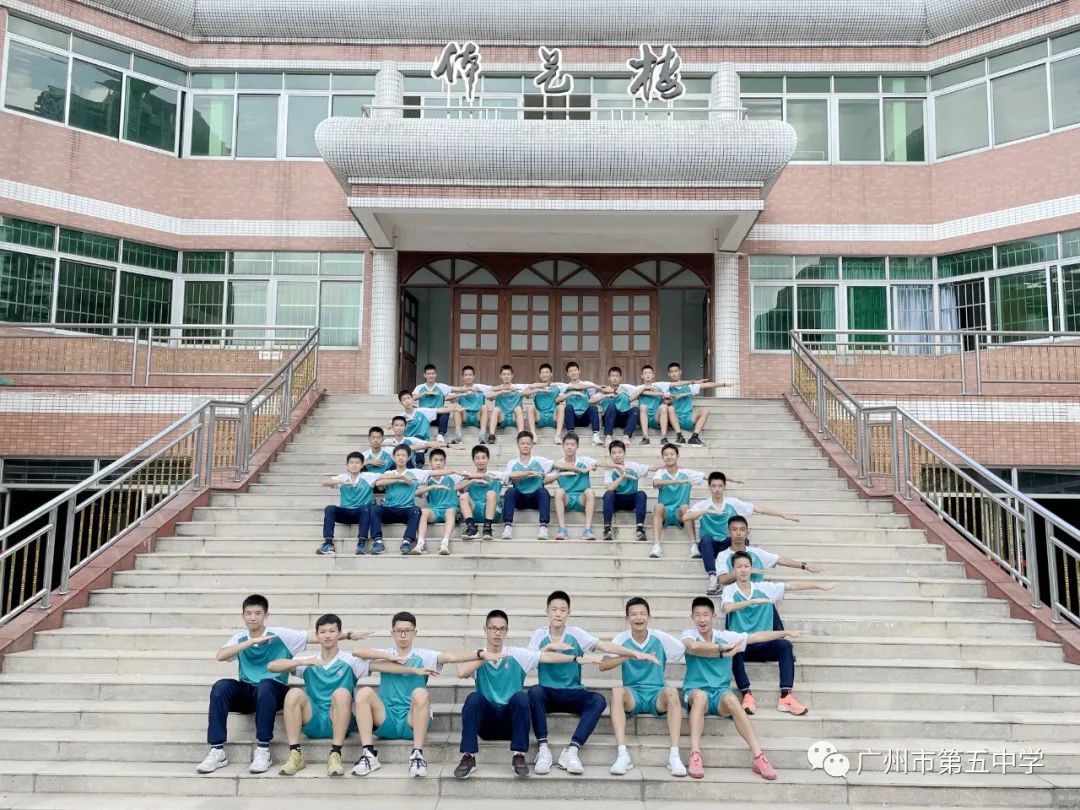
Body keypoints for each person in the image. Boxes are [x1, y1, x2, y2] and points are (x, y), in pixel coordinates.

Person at [197, 594, 361, 775]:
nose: (253, 617)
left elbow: (316, 636)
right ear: (242, 616)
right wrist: (250, 642)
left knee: (265, 684)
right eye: (249, 613)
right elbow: (221, 656)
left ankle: (263, 750)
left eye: (258, 613)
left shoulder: (280, 635)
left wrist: (348, 635)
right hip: (249, 691)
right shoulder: (240, 638)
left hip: (274, 691)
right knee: (221, 687)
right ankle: (217, 750)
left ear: (266, 615)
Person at [351, 611, 507, 777]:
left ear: (415, 633)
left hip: (412, 720)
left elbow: (450, 657)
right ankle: (368, 755)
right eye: (399, 631)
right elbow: (357, 651)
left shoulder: (423, 655)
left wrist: (480, 654)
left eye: (407, 631)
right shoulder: (384, 653)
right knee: (364, 692)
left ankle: (417, 755)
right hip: (386, 719)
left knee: (420, 692)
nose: (403, 635)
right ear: (392, 633)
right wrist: (390, 656)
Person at [453, 609, 602, 779]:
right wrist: (483, 656)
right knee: (473, 698)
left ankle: (518, 756)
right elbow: (461, 672)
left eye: (501, 629)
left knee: (522, 697)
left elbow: (545, 657)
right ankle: (468, 757)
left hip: (511, 723)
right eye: (493, 628)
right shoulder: (477, 656)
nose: (497, 632)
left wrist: (574, 658)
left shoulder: (516, 654)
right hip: (486, 724)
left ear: (506, 631)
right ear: (485, 630)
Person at [527, 590, 658, 775]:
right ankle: (543, 749)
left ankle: (572, 751)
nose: (558, 614)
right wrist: (548, 647)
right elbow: (529, 660)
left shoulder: (575, 633)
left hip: (572, 692)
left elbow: (604, 646)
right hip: (548, 694)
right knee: (533, 692)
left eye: (562, 610)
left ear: (569, 612)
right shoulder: (538, 635)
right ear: (547, 611)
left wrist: (635, 653)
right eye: (554, 609)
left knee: (598, 700)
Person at [270, 614, 414, 777]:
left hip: (341, 719)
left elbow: (381, 666)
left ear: (339, 634)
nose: (327, 635)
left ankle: (336, 754)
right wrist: (301, 662)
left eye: (332, 631)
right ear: (317, 635)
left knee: (341, 693)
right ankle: (295, 754)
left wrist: (414, 669)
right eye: (323, 632)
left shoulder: (350, 660)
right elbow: (272, 666)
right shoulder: (308, 661)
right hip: (313, 720)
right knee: (293, 693)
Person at [680, 596, 797, 781]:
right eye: (698, 615)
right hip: (695, 691)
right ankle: (695, 754)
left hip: (720, 693)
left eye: (705, 615)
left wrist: (785, 632)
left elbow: (756, 637)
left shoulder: (726, 635)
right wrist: (724, 649)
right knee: (700, 696)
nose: (702, 619)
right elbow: (694, 647)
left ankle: (758, 756)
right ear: (692, 617)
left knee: (733, 699)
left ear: (713, 616)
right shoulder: (688, 634)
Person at [722, 551, 835, 716]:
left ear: (751, 568)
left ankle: (786, 696)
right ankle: (746, 694)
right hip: (744, 647)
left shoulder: (764, 588)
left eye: (746, 566)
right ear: (734, 570)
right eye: (739, 567)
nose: (743, 570)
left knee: (785, 645)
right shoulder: (730, 590)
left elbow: (792, 585)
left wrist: (818, 586)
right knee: (733, 647)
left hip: (765, 644)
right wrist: (752, 601)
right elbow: (727, 608)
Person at [600, 597, 687, 777]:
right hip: (633, 694)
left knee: (672, 692)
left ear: (649, 617)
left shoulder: (659, 637)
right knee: (617, 692)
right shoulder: (621, 639)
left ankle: (674, 755)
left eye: (642, 614)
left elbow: (682, 650)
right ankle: (623, 754)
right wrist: (630, 654)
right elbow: (603, 665)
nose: (638, 617)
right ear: (627, 618)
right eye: (633, 614)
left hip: (657, 693)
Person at [683, 472, 801, 594]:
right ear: (709, 487)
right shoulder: (703, 505)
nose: (717, 489)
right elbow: (686, 517)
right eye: (714, 486)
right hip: (711, 546)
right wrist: (705, 511)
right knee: (706, 540)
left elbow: (758, 509)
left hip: (728, 543)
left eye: (720, 486)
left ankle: (743, 575)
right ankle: (713, 578)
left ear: (724, 487)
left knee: (743, 540)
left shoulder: (733, 503)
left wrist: (783, 515)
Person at [715, 515, 825, 588]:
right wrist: (746, 571)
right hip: (736, 600)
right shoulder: (723, 556)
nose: (738, 533)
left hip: (760, 597)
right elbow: (723, 579)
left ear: (747, 532)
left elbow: (779, 559)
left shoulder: (756, 552)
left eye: (742, 529)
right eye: (734, 529)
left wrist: (804, 566)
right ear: (728, 532)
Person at [318, 452, 381, 556]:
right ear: (347, 465)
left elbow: (385, 476)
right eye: (351, 463)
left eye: (357, 463)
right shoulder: (343, 477)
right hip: (346, 513)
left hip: (361, 514)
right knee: (330, 508)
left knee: (366, 508)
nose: (354, 465)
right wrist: (342, 482)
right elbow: (324, 482)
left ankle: (361, 543)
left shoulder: (368, 476)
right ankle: (328, 543)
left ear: (362, 465)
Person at [654, 362, 732, 445]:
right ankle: (680, 436)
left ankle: (694, 437)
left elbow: (706, 385)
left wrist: (723, 384)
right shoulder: (666, 388)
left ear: (680, 372)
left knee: (705, 410)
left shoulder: (689, 387)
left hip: (688, 418)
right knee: (670, 408)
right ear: (668, 374)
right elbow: (664, 403)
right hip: (674, 419)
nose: (674, 374)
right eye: (671, 372)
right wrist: (675, 397)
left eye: (676, 371)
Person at [651, 443, 705, 560]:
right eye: (665, 455)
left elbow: (706, 477)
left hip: (679, 514)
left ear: (677, 456)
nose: (669, 457)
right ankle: (656, 545)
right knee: (658, 506)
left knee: (685, 507)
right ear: (662, 457)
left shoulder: (686, 472)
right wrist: (678, 482)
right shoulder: (661, 472)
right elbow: (656, 483)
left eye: (672, 454)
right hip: (665, 513)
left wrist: (729, 479)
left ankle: (693, 545)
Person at [500, 430, 554, 540]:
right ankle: (507, 527)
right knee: (510, 491)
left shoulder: (539, 461)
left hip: (535, 499)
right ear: (518, 444)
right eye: (523, 443)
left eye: (528, 443)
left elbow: (556, 466)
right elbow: (507, 478)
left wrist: (558, 475)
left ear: (532, 445)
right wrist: (527, 473)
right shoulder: (512, 463)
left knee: (543, 492)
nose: (525, 446)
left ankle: (543, 527)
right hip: (520, 499)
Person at [598, 440, 654, 543]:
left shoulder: (632, 466)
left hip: (630, 500)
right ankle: (607, 530)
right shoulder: (609, 470)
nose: (617, 455)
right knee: (608, 494)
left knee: (641, 494)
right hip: (616, 500)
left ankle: (640, 530)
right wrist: (622, 477)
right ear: (610, 455)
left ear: (624, 453)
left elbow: (651, 468)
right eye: (614, 453)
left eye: (620, 452)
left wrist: (666, 465)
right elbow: (610, 488)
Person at [374, 446, 426, 555]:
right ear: (393, 457)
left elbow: (423, 487)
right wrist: (399, 479)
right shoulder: (389, 473)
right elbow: (378, 484)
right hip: (389, 509)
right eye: (398, 455)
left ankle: (407, 541)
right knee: (375, 509)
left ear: (408, 458)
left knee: (416, 510)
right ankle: (377, 541)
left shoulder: (414, 473)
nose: (401, 458)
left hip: (406, 510)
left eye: (403, 455)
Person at [550, 432, 598, 542]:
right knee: (558, 491)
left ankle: (588, 530)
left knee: (590, 491)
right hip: (566, 499)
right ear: (563, 446)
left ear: (577, 447)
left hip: (582, 499)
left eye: (572, 444)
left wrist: (595, 465)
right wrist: (559, 474)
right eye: (567, 444)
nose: (569, 447)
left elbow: (600, 463)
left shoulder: (584, 461)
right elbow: (544, 481)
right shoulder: (559, 464)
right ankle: (562, 529)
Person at [415, 448, 461, 555]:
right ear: (430, 462)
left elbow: (469, 476)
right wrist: (431, 487)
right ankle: (420, 544)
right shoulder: (426, 479)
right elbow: (416, 493)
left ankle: (444, 543)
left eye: (441, 460)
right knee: (423, 511)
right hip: (435, 511)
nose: (438, 463)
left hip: (450, 510)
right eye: (435, 460)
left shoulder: (452, 477)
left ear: (444, 462)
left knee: (450, 511)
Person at [457, 444, 501, 541]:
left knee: (491, 493)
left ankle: (487, 528)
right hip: (474, 510)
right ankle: (471, 528)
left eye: (483, 458)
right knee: (464, 496)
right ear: (473, 460)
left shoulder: (495, 475)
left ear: (488, 459)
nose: (481, 461)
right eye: (477, 458)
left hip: (491, 511)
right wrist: (473, 480)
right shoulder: (469, 477)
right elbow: (455, 488)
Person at [397, 389, 461, 452]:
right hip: (409, 444)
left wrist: (454, 409)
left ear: (412, 399)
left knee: (418, 439)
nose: (407, 401)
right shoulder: (400, 417)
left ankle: (440, 435)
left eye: (408, 398)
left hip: (423, 443)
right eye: (404, 399)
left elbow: (438, 410)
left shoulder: (423, 411)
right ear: (400, 403)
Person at [554, 361, 602, 446]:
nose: (573, 373)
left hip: (584, 418)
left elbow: (595, 396)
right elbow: (557, 399)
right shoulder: (565, 387)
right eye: (570, 371)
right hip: (572, 418)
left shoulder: (587, 384)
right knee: (568, 407)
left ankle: (595, 435)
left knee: (593, 408)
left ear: (579, 371)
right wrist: (570, 393)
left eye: (575, 370)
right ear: (567, 374)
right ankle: (571, 434)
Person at [485, 364, 530, 443]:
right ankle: (492, 435)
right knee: (496, 409)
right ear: (500, 376)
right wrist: (502, 391)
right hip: (502, 418)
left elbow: (528, 394)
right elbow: (488, 396)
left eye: (508, 374)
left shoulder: (517, 388)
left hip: (514, 418)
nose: (506, 376)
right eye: (504, 374)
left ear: (512, 375)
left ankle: (521, 435)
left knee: (518, 408)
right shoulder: (498, 388)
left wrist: (523, 391)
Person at [412, 364, 454, 443]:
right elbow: (412, 398)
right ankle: (421, 436)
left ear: (436, 374)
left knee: (446, 410)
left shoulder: (441, 386)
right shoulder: (419, 387)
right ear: (425, 375)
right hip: (425, 418)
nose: (430, 376)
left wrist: (468, 389)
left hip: (437, 417)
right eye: (428, 374)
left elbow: (455, 389)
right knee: (416, 411)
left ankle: (440, 435)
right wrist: (425, 393)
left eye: (432, 373)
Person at [600, 366, 642, 445]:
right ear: (609, 378)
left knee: (635, 409)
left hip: (624, 418)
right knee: (612, 406)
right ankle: (608, 436)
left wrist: (643, 388)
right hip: (610, 418)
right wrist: (606, 395)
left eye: (617, 376)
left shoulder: (626, 388)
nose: (614, 378)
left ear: (620, 378)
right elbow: (591, 400)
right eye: (612, 376)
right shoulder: (604, 389)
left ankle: (626, 437)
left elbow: (639, 389)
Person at [453, 365, 491, 445]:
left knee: (485, 406)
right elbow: (446, 398)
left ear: (474, 376)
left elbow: (492, 394)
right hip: (465, 416)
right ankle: (458, 436)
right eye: (466, 375)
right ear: (463, 377)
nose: (468, 377)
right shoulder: (459, 390)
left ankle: (482, 435)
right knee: (457, 407)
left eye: (470, 375)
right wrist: (460, 394)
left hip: (478, 416)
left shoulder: (480, 388)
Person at [526, 363, 562, 440]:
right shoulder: (535, 388)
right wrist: (537, 388)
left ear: (551, 374)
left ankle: (558, 435)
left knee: (561, 407)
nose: (545, 374)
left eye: (547, 372)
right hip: (540, 417)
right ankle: (533, 434)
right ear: (539, 375)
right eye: (542, 373)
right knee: (530, 407)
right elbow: (524, 394)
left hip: (553, 417)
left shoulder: (557, 387)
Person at [636, 365, 667, 445]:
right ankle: (646, 438)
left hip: (655, 418)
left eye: (650, 373)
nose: (648, 375)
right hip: (642, 417)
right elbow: (631, 398)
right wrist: (643, 389)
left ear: (653, 375)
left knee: (663, 407)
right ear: (642, 376)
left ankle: (663, 438)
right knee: (643, 406)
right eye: (645, 373)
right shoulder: (639, 388)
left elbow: (663, 403)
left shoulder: (658, 389)